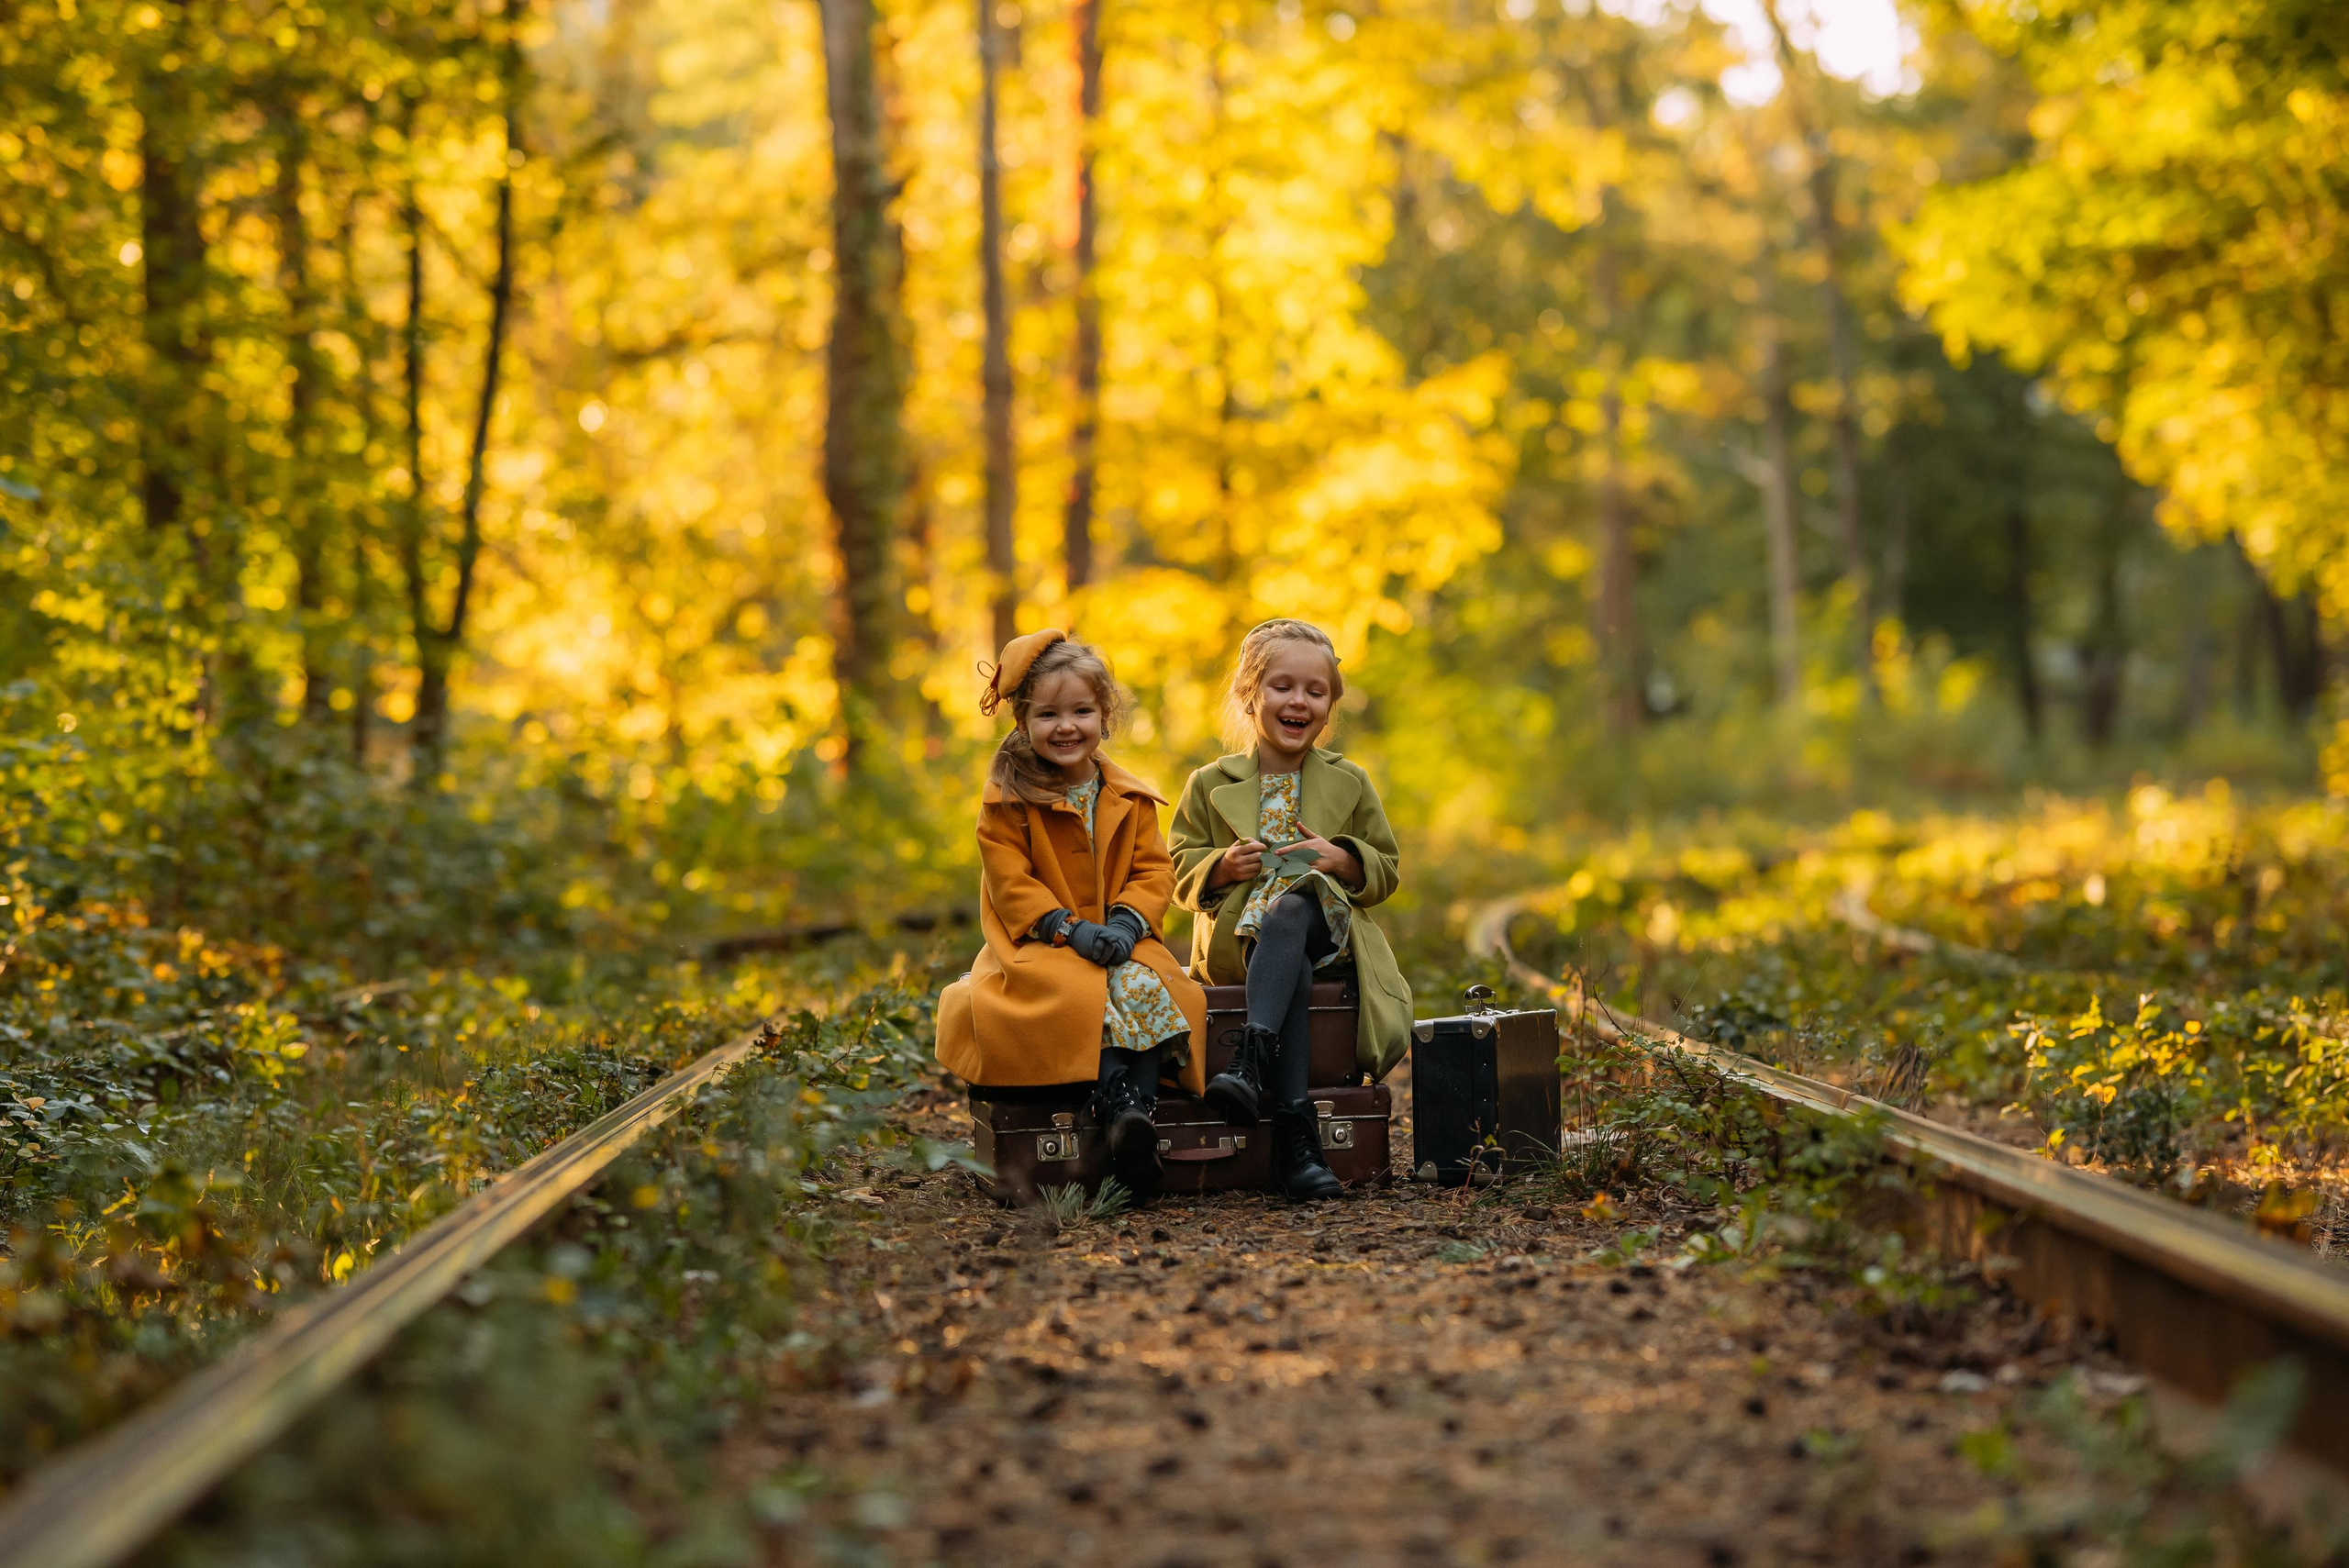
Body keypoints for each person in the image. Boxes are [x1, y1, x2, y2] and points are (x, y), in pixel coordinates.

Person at [936, 629, 1207, 1200]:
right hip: (1041, 942)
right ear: (1023, 722)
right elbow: (1011, 883)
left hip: (1121, 935)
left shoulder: (1129, 799)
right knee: (1079, 992)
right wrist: (1067, 927)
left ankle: (1130, 1115)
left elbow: (1153, 872)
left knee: (1145, 983)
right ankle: (1121, 1106)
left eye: (1081, 711)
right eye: (1048, 714)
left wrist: (1128, 924)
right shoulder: (1006, 801)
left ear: (1104, 717)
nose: (1066, 726)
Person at [1169, 618, 1413, 1201]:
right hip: (1239, 948)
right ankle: (1297, 1137)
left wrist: (1341, 859)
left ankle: (1250, 1066)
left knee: (1296, 905)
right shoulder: (1208, 784)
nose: (1298, 701)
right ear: (1249, 696)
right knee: (1286, 944)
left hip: (1329, 939)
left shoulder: (1350, 781)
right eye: (1282, 686)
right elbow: (1176, 868)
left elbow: (1386, 868)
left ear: (1330, 706)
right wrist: (1222, 868)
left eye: (1315, 690)